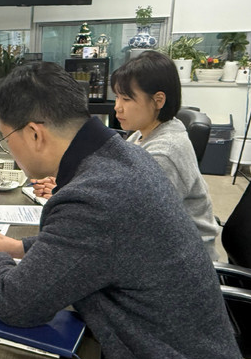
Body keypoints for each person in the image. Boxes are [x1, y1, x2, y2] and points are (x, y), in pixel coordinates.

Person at [0, 63, 251, 359]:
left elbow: (17, 304)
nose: (9, 149)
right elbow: (98, 246)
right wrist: (19, 247)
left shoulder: (95, 195)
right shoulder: (123, 155)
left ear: (34, 134)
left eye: (6, 139)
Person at [31, 51, 220, 260]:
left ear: (158, 100)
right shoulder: (143, 134)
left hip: (182, 261)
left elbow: (126, 221)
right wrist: (69, 188)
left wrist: (71, 199)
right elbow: (116, 183)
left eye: (126, 99)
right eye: (117, 97)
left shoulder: (164, 154)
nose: (117, 107)